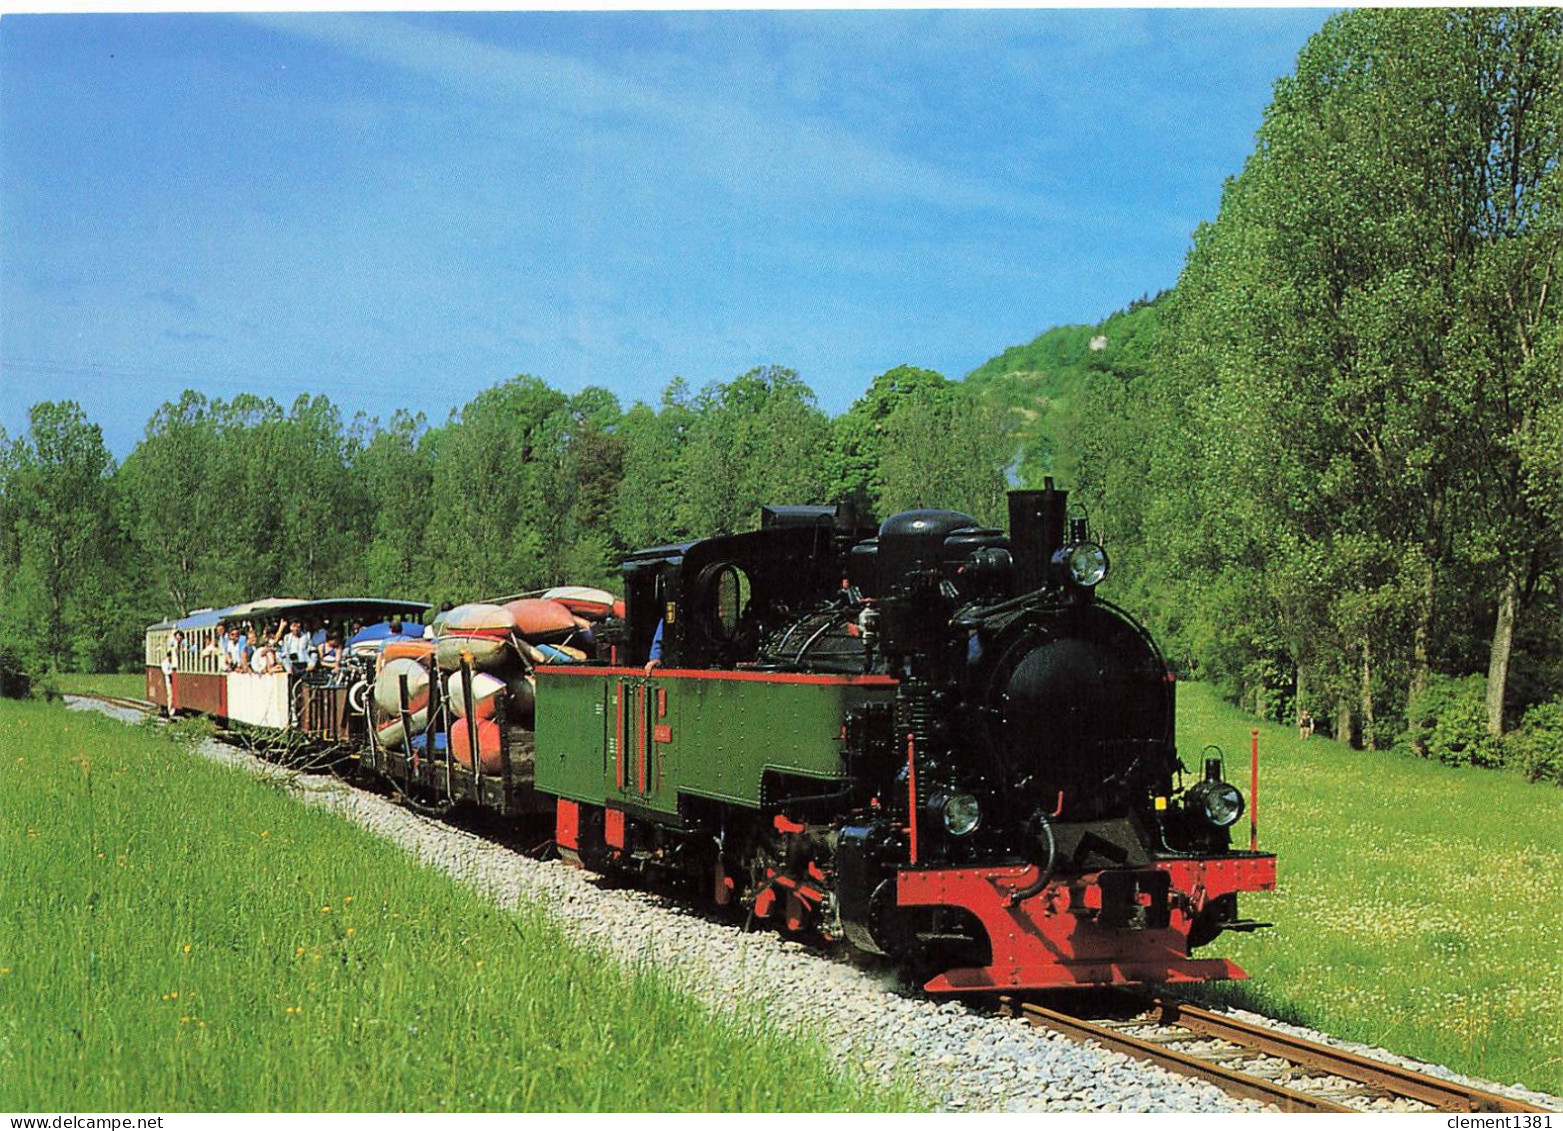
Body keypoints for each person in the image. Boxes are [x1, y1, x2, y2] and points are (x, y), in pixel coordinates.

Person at [161, 629, 184, 717]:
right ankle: (171, 711)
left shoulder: (179, 644)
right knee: (170, 694)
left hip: (175, 673)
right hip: (169, 678)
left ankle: (175, 708)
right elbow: (166, 671)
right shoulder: (165, 662)